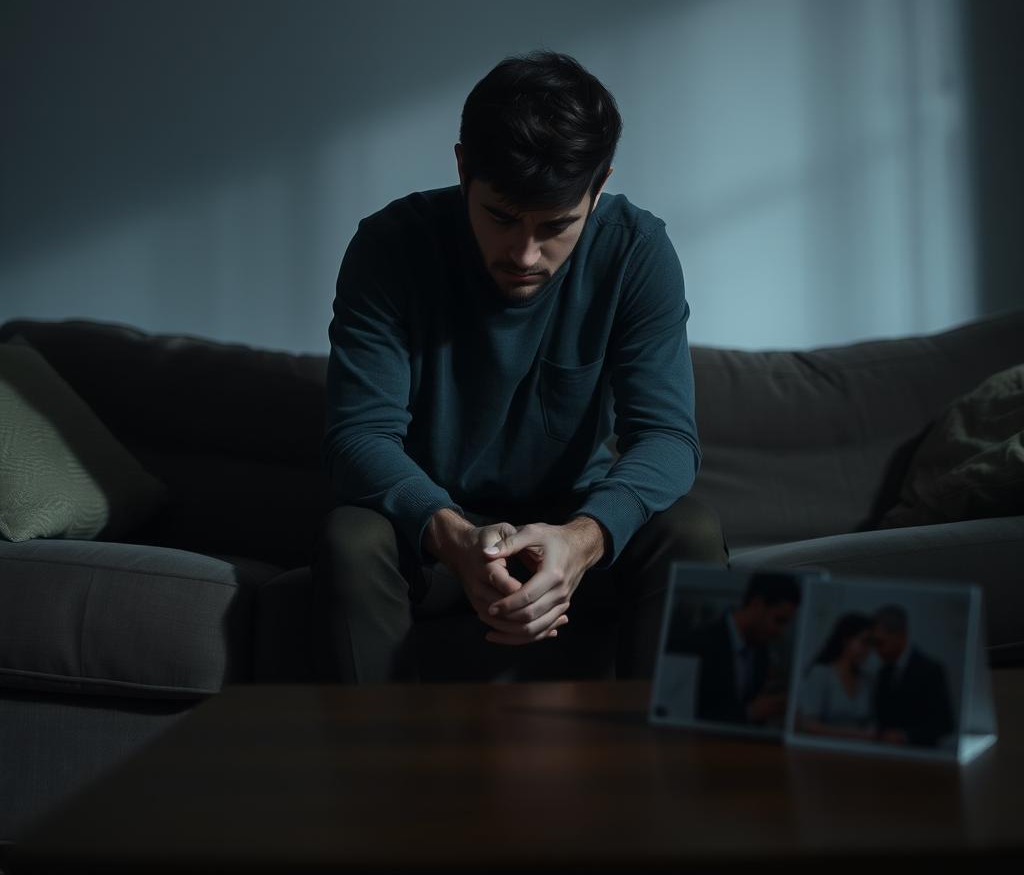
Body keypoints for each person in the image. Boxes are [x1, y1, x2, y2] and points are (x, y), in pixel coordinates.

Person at [312, 49, 727, 684]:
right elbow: (358, 437)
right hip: (434, 539)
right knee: (351, 537)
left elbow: (668, 438)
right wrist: (453, 539)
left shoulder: (637, 251)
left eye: (557, 224)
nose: (526, 254)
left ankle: (668, 773)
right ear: (461, 169)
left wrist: (584, 539)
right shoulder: (390, 246)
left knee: (691, 530)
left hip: (573, 529)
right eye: (501, 217)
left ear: (600, 184)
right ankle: (377, 777)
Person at [665, 573, 801, 725]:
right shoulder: (696, 644)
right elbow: (682, 712)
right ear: (757, 603)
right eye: (778, 620)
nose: (780, 631)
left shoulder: (761, 652)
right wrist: (750, 713)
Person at [870, 604, 956, 748]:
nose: (876, 650)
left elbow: (945, 724)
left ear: (900, 635)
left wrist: (905, 736)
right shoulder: (883, 673)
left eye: (880, 642)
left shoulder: (931, 670)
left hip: (922, 755)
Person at [794, 611, 876, 739]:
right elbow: (809, 725)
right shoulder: (821, 674)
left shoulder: (867, 681)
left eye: (871, 644)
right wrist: (857, 734)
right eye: (864, 642)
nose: (868, 650)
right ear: (846, 640)